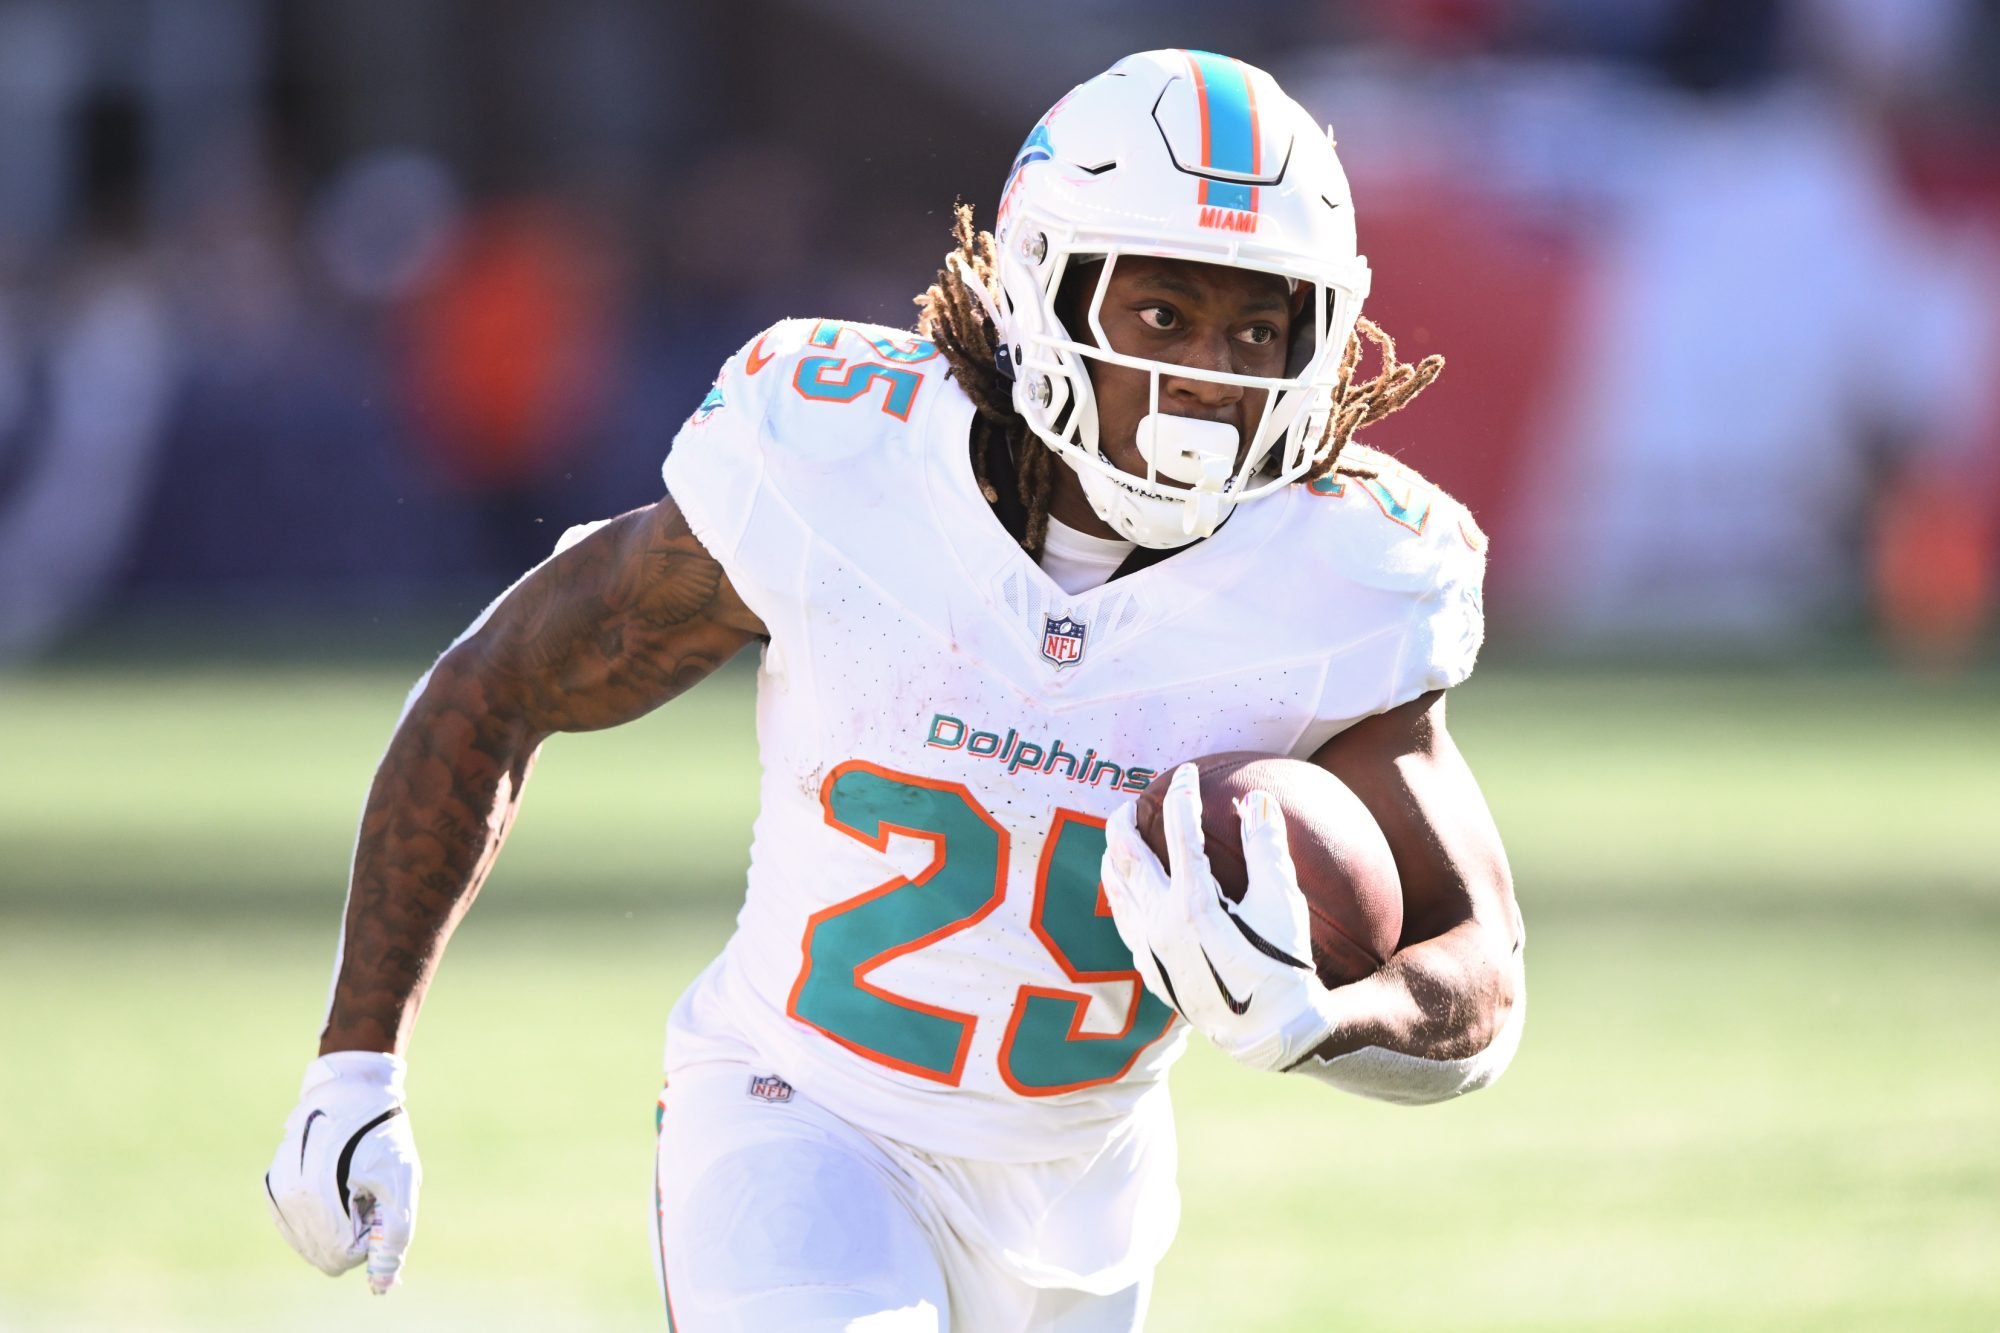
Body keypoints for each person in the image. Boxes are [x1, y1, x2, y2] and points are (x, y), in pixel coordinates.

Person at [263, 49, 1526, 1332]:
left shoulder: (1344, 575)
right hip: (799, 1121)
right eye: (1161, 314)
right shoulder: (840, 463)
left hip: (1084, 1200)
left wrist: (1324, 1014)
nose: (1209, 372)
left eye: (1258, 326)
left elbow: (1478, 971)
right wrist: (356, 1061)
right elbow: (497, 686)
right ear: (1042, 288)